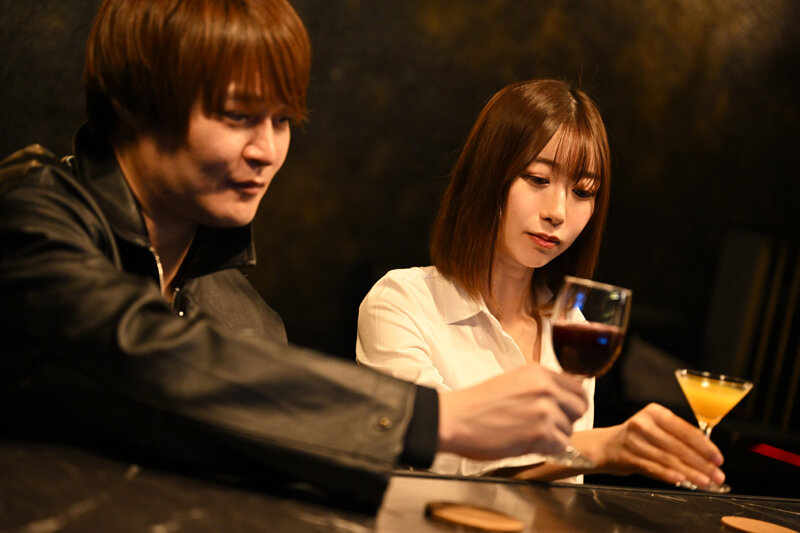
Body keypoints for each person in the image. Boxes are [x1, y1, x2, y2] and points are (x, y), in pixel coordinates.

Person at [0, 0, 589, 509]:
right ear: (133, 100)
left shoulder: (244, 315)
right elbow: (146, 354)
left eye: (281, 121)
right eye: (237, 117)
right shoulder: (31, 222)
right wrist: (436, 419)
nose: (267, 150)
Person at [357, 79, 726, 488]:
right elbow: (435, 451)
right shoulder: (401, 303)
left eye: (583, 191)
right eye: (537, 179)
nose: (558, 212)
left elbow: (563, 491)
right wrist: (597, 448)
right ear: (487, 175)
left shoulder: (574, 329)